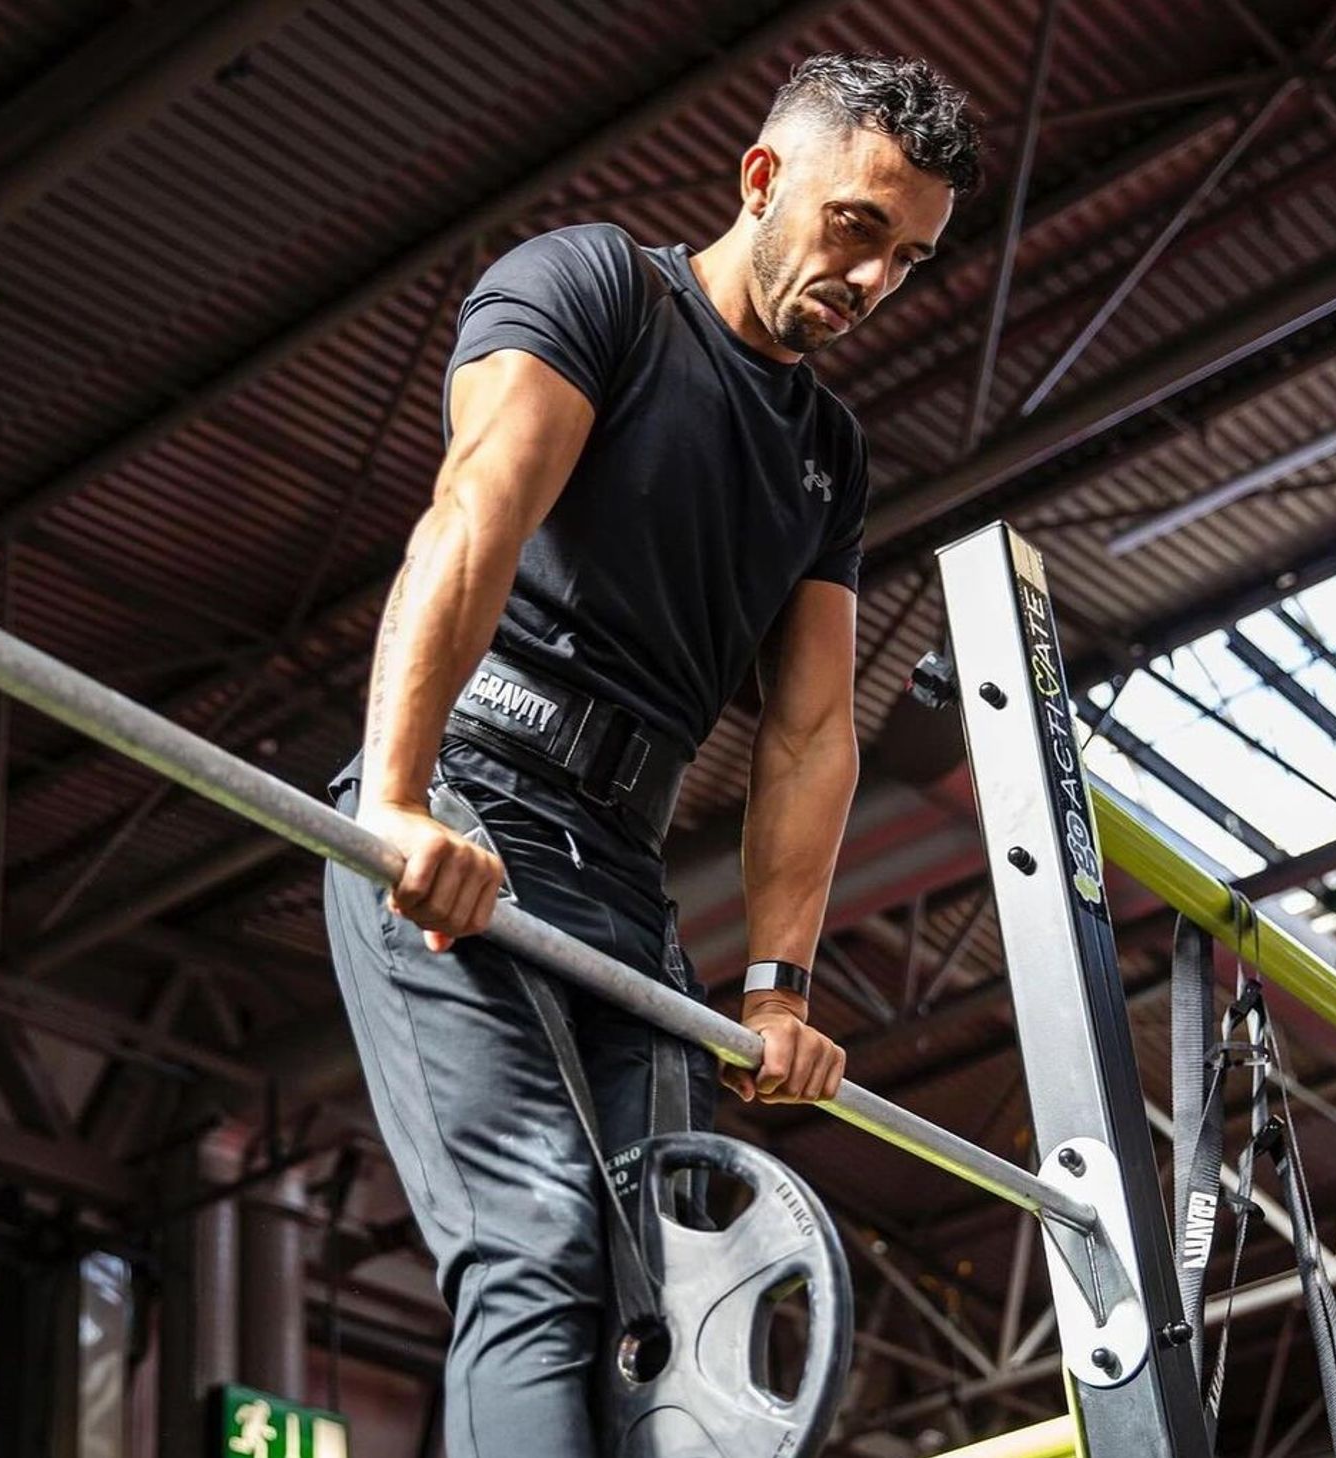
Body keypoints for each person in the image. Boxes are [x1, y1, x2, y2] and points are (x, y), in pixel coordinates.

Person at [323, 51, 980, 1457]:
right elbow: (474, 512)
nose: (870, 280)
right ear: (762, 179)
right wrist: (394, 799)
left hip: (620, 876)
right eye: (856, 227)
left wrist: (776, 984)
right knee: (537, 1237)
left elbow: (808, 731)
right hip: (468, 806)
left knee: (666, 1291)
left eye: (907, 260)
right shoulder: (595, 289)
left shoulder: (827, 449)